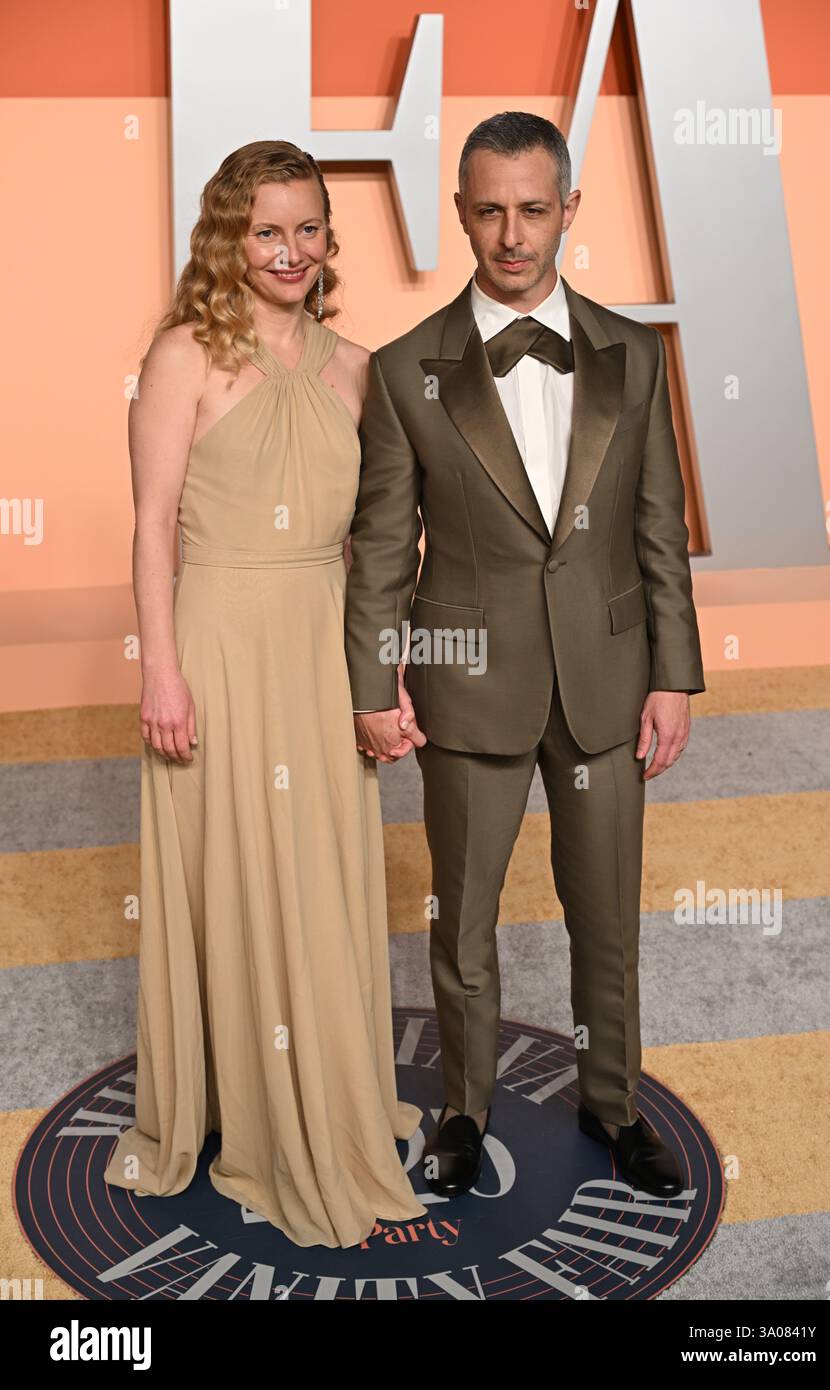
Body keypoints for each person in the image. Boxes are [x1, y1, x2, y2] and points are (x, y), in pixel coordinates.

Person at [346, 111, 706, 1200]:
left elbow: (658, 527)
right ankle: (461, 1108)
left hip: (605, 679)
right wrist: (371, 685)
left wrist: (671, 673)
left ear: (568, 210)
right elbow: (377, 543)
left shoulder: (632, 353)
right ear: (459, 211)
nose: (511, 234)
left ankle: (613, 1103)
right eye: (489, 209)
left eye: (533, 209)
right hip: (467, 685)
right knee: (461, 916)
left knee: (607, 911)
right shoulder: (406, 368)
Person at [104, 139, 428, 1249]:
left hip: (318, 640)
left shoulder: (359, 369)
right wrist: (159, 667)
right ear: (228, 239)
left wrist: (379, 675)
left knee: (322, 872)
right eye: (264, 230)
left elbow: (383, 545)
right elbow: (149, 525)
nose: (288, 250)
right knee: (234, 871)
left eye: (306, 228)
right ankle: (239, 1109)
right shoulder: (184, 356)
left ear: (331, 238)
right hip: (221, 642)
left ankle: (328, 1095)